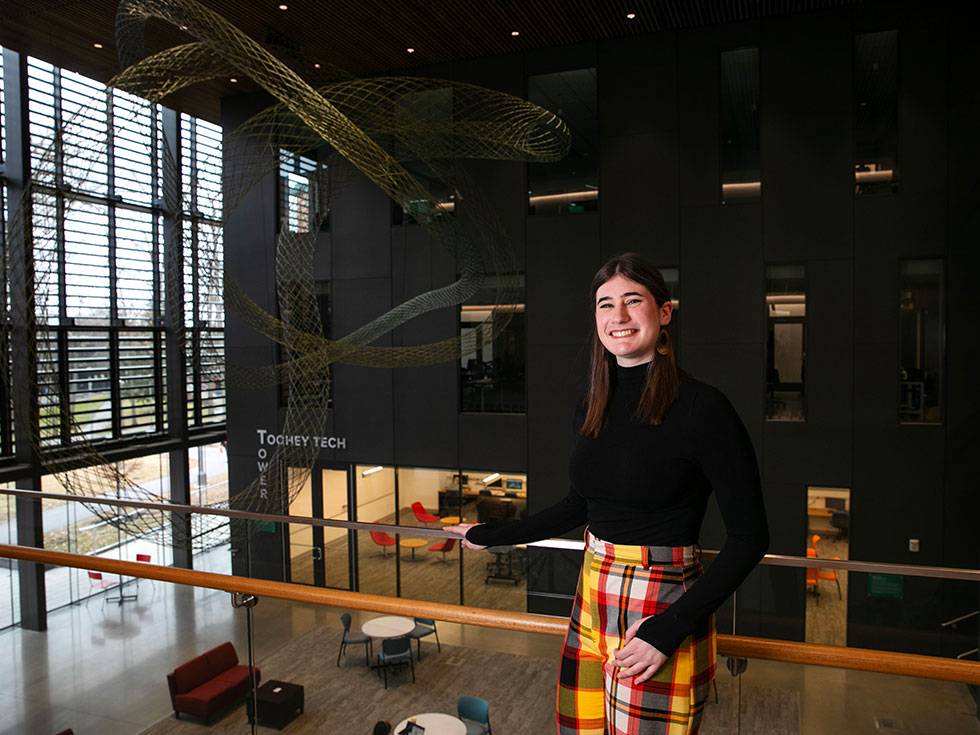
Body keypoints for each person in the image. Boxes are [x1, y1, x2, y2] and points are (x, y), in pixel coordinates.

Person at [445, 253, 768, 735]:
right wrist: (494, 534)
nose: (617, 317)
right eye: (605, 304)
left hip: (664, 601)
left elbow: (750, 536)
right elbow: (580, 504)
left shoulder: (704, 408)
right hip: (593, 586)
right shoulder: (593, 403)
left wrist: (672, 626)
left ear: (664, 312)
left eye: (632, 301)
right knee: (581, 728)